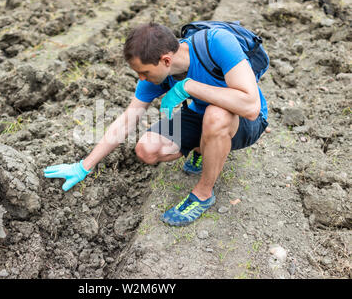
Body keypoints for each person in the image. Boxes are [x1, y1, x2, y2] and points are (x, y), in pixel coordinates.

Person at [44, 22, 269, 226]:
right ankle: (203, 148)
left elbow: (250, 107)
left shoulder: (217, 43)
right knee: (147, 149)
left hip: (245, 121)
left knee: (216, 115)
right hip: (200, 115)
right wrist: (84, 166)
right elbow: (127, 119)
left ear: (166, 60)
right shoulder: (159, 74)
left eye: (144, 72)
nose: (141, 78)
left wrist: (188, 87)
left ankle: (203, 193)